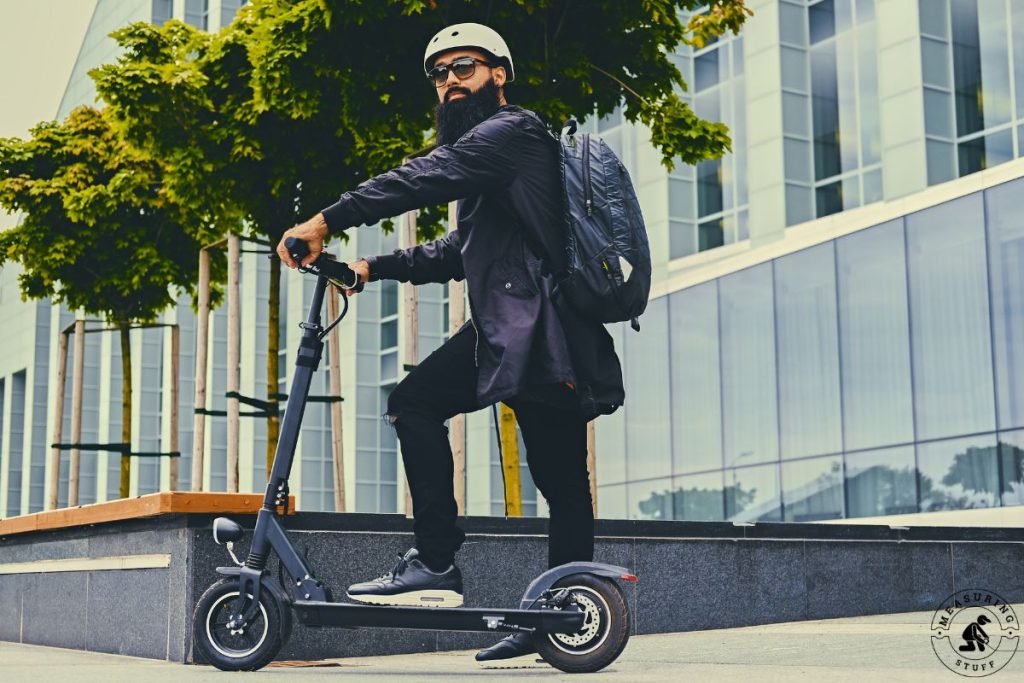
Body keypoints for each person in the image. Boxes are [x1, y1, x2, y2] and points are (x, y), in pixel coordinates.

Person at [276, 22, 624, 662]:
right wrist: (371, 268)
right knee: (562, 482)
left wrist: (326, 220)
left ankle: (438, 562)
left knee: (419, 405)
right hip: (528, 330)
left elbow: (423, 177)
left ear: (499, 74)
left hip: (536, 327)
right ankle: (559, 614)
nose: (449, 82)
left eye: (463, 67)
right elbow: (459, 251)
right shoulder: (495, 161)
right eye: (439, 74)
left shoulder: (511, 133)